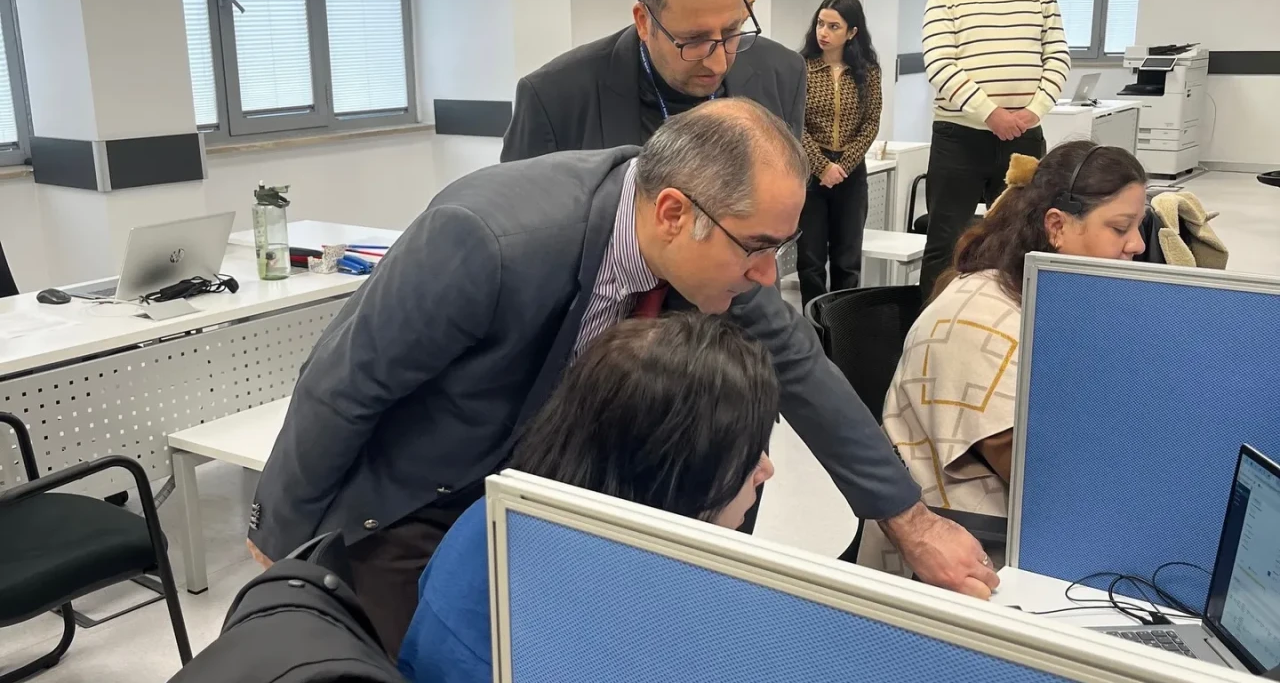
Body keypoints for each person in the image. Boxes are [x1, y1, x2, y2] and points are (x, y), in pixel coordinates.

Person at [246, 99, 996, 657]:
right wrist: (277, 551)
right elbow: (343, 384)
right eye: (757, 248)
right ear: (672, 213)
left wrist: (913, 523)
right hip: (421, 497)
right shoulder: (488, 239)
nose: (769, 275)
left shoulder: (711, 243)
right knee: (439, 656)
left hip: (552, 488)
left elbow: (803, 369)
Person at [397, 313, 779, 683]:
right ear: (675, 470)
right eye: (748, 452)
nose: (766, 469)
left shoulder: (491, 520)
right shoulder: (648, 630)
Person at [859, 142, 1148, 575]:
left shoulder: (1040, 292)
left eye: (1139, 226)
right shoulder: (978, 323)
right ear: (1057, 226)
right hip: (966, 551)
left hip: (1015, 527)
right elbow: (1047, 482)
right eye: (1120, 228)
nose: (1137, 244)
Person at [500, 0, 805, 162]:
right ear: (644, 22)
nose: (719, 64)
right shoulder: (553, 100)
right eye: (693, 39)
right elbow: (522, 231)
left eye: (732, 30)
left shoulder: (784, 74)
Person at [918, 0, 1069, 298]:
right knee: (946, 241)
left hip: (1024, 135)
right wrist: (990, 113)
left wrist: (1035, 109)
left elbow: (1058, 57)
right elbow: (940, 65)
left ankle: (1009, 318)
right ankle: (931, 320)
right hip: (959, 137)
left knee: (1023, 238)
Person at [796, 0, 882, 307]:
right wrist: (822, 167)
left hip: (851, 172)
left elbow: (871, 122)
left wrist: (842, 166)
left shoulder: (867, 72)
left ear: (852, 32)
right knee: (811, 261)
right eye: (821, 24)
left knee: (847, 260)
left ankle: (844, 325)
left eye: (834, 26)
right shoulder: (802, 67)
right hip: (811, 172)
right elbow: (795, 122)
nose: (824, 32)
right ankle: (815, 326)